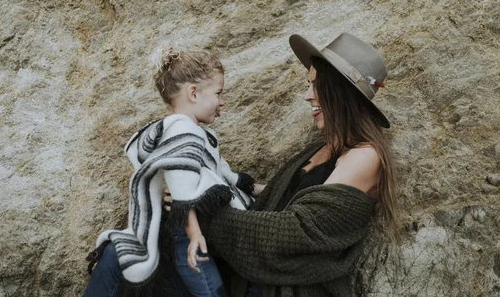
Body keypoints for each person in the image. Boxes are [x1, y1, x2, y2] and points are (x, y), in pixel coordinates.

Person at [166, 33, 399, 297]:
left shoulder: (365, 157)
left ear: (338, 91)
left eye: (314, 85)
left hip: (291, 288)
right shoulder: (322, 149)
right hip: (256, 280)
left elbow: (297, 229)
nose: (307, 96)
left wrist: (204, 210)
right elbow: (289, 196)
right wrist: (231, 187)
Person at [84, 49, 262, 297]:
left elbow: (228, 179)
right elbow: (181, 188)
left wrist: (268, 190)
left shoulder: (200, 134)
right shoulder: (181, 128)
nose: (222, 102)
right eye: (218, 93)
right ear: (193, 93)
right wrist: (195, 235)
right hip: (184, 233)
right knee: (211, 290)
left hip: (190, 232)